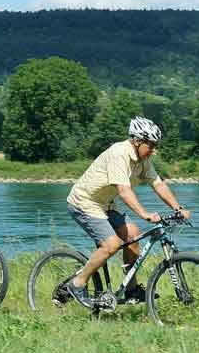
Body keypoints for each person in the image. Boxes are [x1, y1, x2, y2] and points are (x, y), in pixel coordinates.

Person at [63, 116, 190, 306]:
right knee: (112, 244)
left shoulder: (142, 159)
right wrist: (144, 214)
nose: (154, 151)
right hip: (84, 202)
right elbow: (124, 190)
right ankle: (77, 284)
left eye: (156, 146)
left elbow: (158, 184)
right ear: (137, 141)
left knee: (133, 234)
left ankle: (131, 289)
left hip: (106, 204)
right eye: (151, 145)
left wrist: (177, 207)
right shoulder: (119, 154)